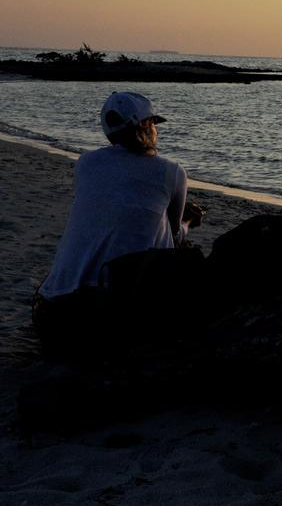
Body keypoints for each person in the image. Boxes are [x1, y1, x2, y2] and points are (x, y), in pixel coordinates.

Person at [33, 92, 203, 350]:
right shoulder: (172, 171)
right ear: (146, 126)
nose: (155, 129)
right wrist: (189, 222)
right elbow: (175, 236)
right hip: (108, 316)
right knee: (180, 254)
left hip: (52, 311)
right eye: (153, 123)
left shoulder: (86, 163)